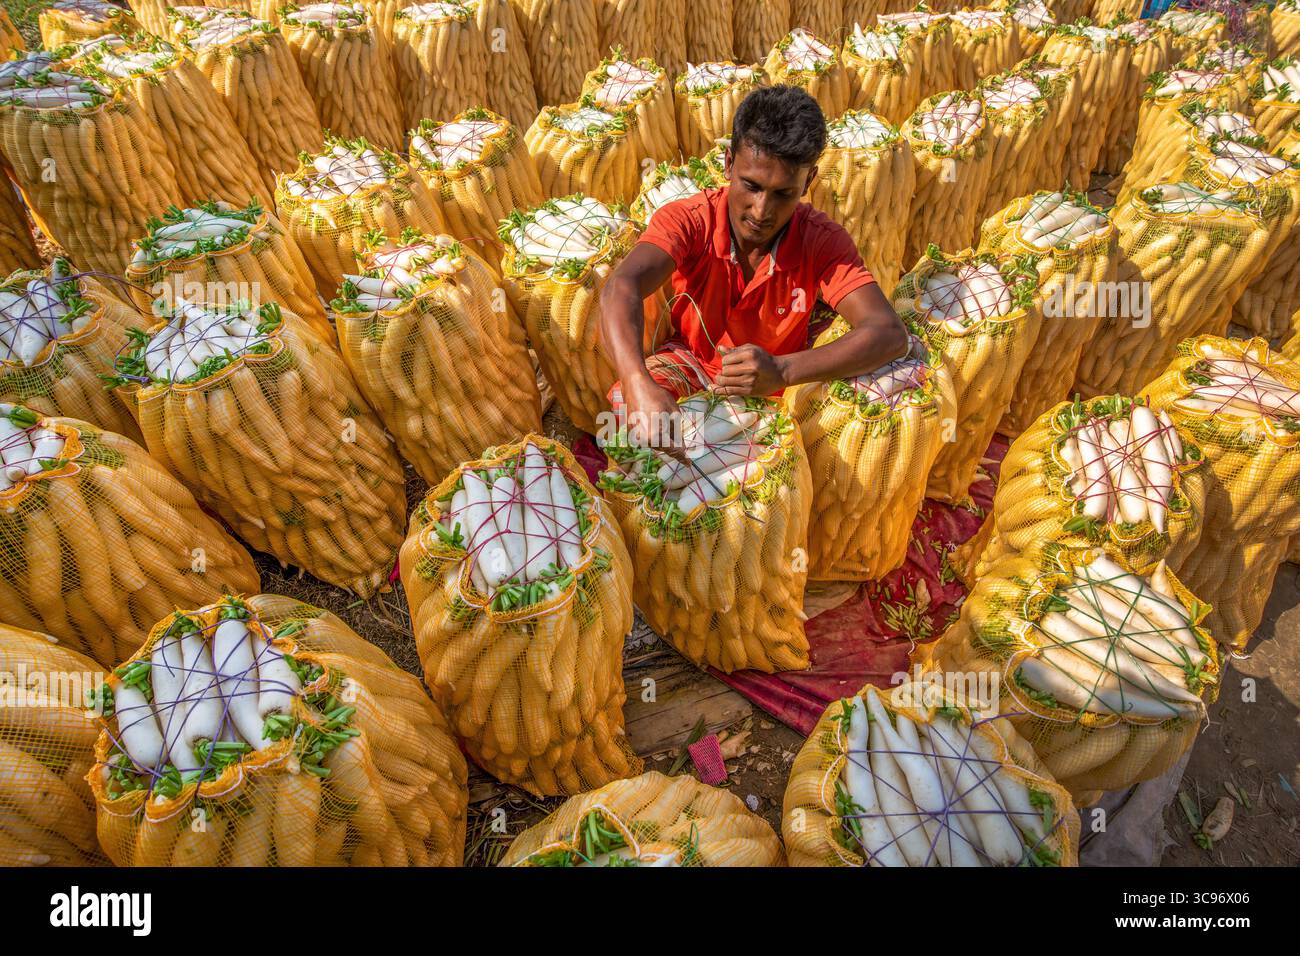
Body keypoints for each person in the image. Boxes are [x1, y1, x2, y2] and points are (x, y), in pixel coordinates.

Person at [599, 84, 910, 454]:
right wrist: (636, 381)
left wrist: (783, 371)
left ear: (808, 182)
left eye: (783, 194)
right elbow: (622, 286)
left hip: (776, 389)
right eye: (751, 186)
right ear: (729, 162)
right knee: (628, 409)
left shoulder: (821, 241)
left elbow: (888, 333)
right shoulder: (689, 221)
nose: (761, 211)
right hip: (694, 362)